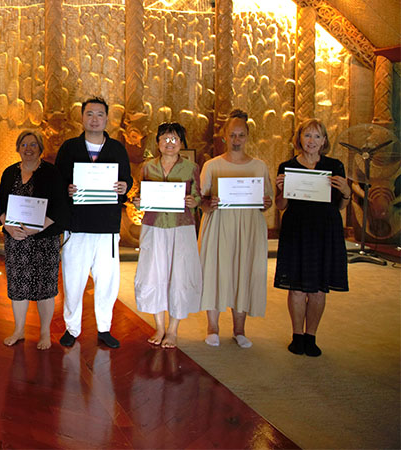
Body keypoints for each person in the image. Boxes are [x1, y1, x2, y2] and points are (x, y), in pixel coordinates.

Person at [54, 97, 132, 348]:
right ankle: (72, 327)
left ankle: (104, 328)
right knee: (74, 280)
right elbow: (58, 182)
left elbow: (127, 180)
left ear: (107, 119)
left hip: (107, 226)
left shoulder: (117, 149)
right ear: (82, 117)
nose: (95, 119)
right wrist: (66, 189)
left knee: (107, 281)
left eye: (100, 114)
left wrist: (124, 186)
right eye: (90, 114)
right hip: (76, 226)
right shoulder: (69, 148)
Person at [274, 118, 350, 357]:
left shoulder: (335, 166)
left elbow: (339, 206)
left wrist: (347, 192)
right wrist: (281, 190)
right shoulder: (286, 167)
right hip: (296, 228)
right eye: (308, 135)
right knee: (296, 287)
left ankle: (311, 336)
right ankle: (297, 335)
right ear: (300, 139)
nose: (312, 141)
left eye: (317, 137)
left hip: (325, 229)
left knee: (318, 288)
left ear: (324, 141)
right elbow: (281, 205)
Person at [198, 109, 273, 348]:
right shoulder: (211, 165)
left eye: (241, 135)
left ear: (247, 136)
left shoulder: (259, 167)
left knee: (243, 271)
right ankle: (212, 327)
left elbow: (266, 202)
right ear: (224, 136)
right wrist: (209, 203)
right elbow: (201, 201)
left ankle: (239, 329)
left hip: (249, 228)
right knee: (216, 271)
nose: (237, 139)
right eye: (232, 135)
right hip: (219, 225)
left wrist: (266, 203)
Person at [131, 122, 202, 349]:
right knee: (153, 273)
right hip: (154, 226)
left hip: (181, 228)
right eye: (165, 139)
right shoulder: (147, 167)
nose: (169, 143)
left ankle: (173, 330)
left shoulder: (191, 168)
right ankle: (159, 327)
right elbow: (140, 195)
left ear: (181, 143)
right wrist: (138, 201)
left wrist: (194, 201)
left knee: (179, 275)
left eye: (174, 139)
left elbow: (198, 196)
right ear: (158, 142)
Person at [0, 130, 68, 350]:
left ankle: (45, 332)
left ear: (40, 148)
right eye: (24, 145)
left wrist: (35, 229)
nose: (28, 149)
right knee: (17, 286)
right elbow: (0, 205)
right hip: (16, 239)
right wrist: (7, 226)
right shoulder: (9, 173)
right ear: (18, 148)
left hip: (44, 239)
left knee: (44, 286)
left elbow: (59, 208)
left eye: (33, 145)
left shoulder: (51, 172)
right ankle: (19, 330)